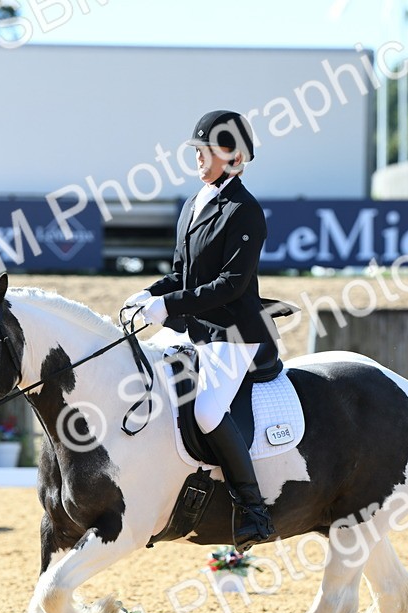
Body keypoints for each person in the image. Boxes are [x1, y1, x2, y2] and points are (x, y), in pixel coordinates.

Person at [123, 109, 277, 551]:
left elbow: (230, 285)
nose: (198, 157)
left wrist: (167, 305)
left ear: (234, 157)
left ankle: (253, 510)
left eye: (207, 150)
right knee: (141, 378)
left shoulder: (245, 212)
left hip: (233, 332)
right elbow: (181, 274)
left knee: (207, 411)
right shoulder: (195, 203)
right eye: (197, 149)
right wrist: (148, 294)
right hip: (193, 328)